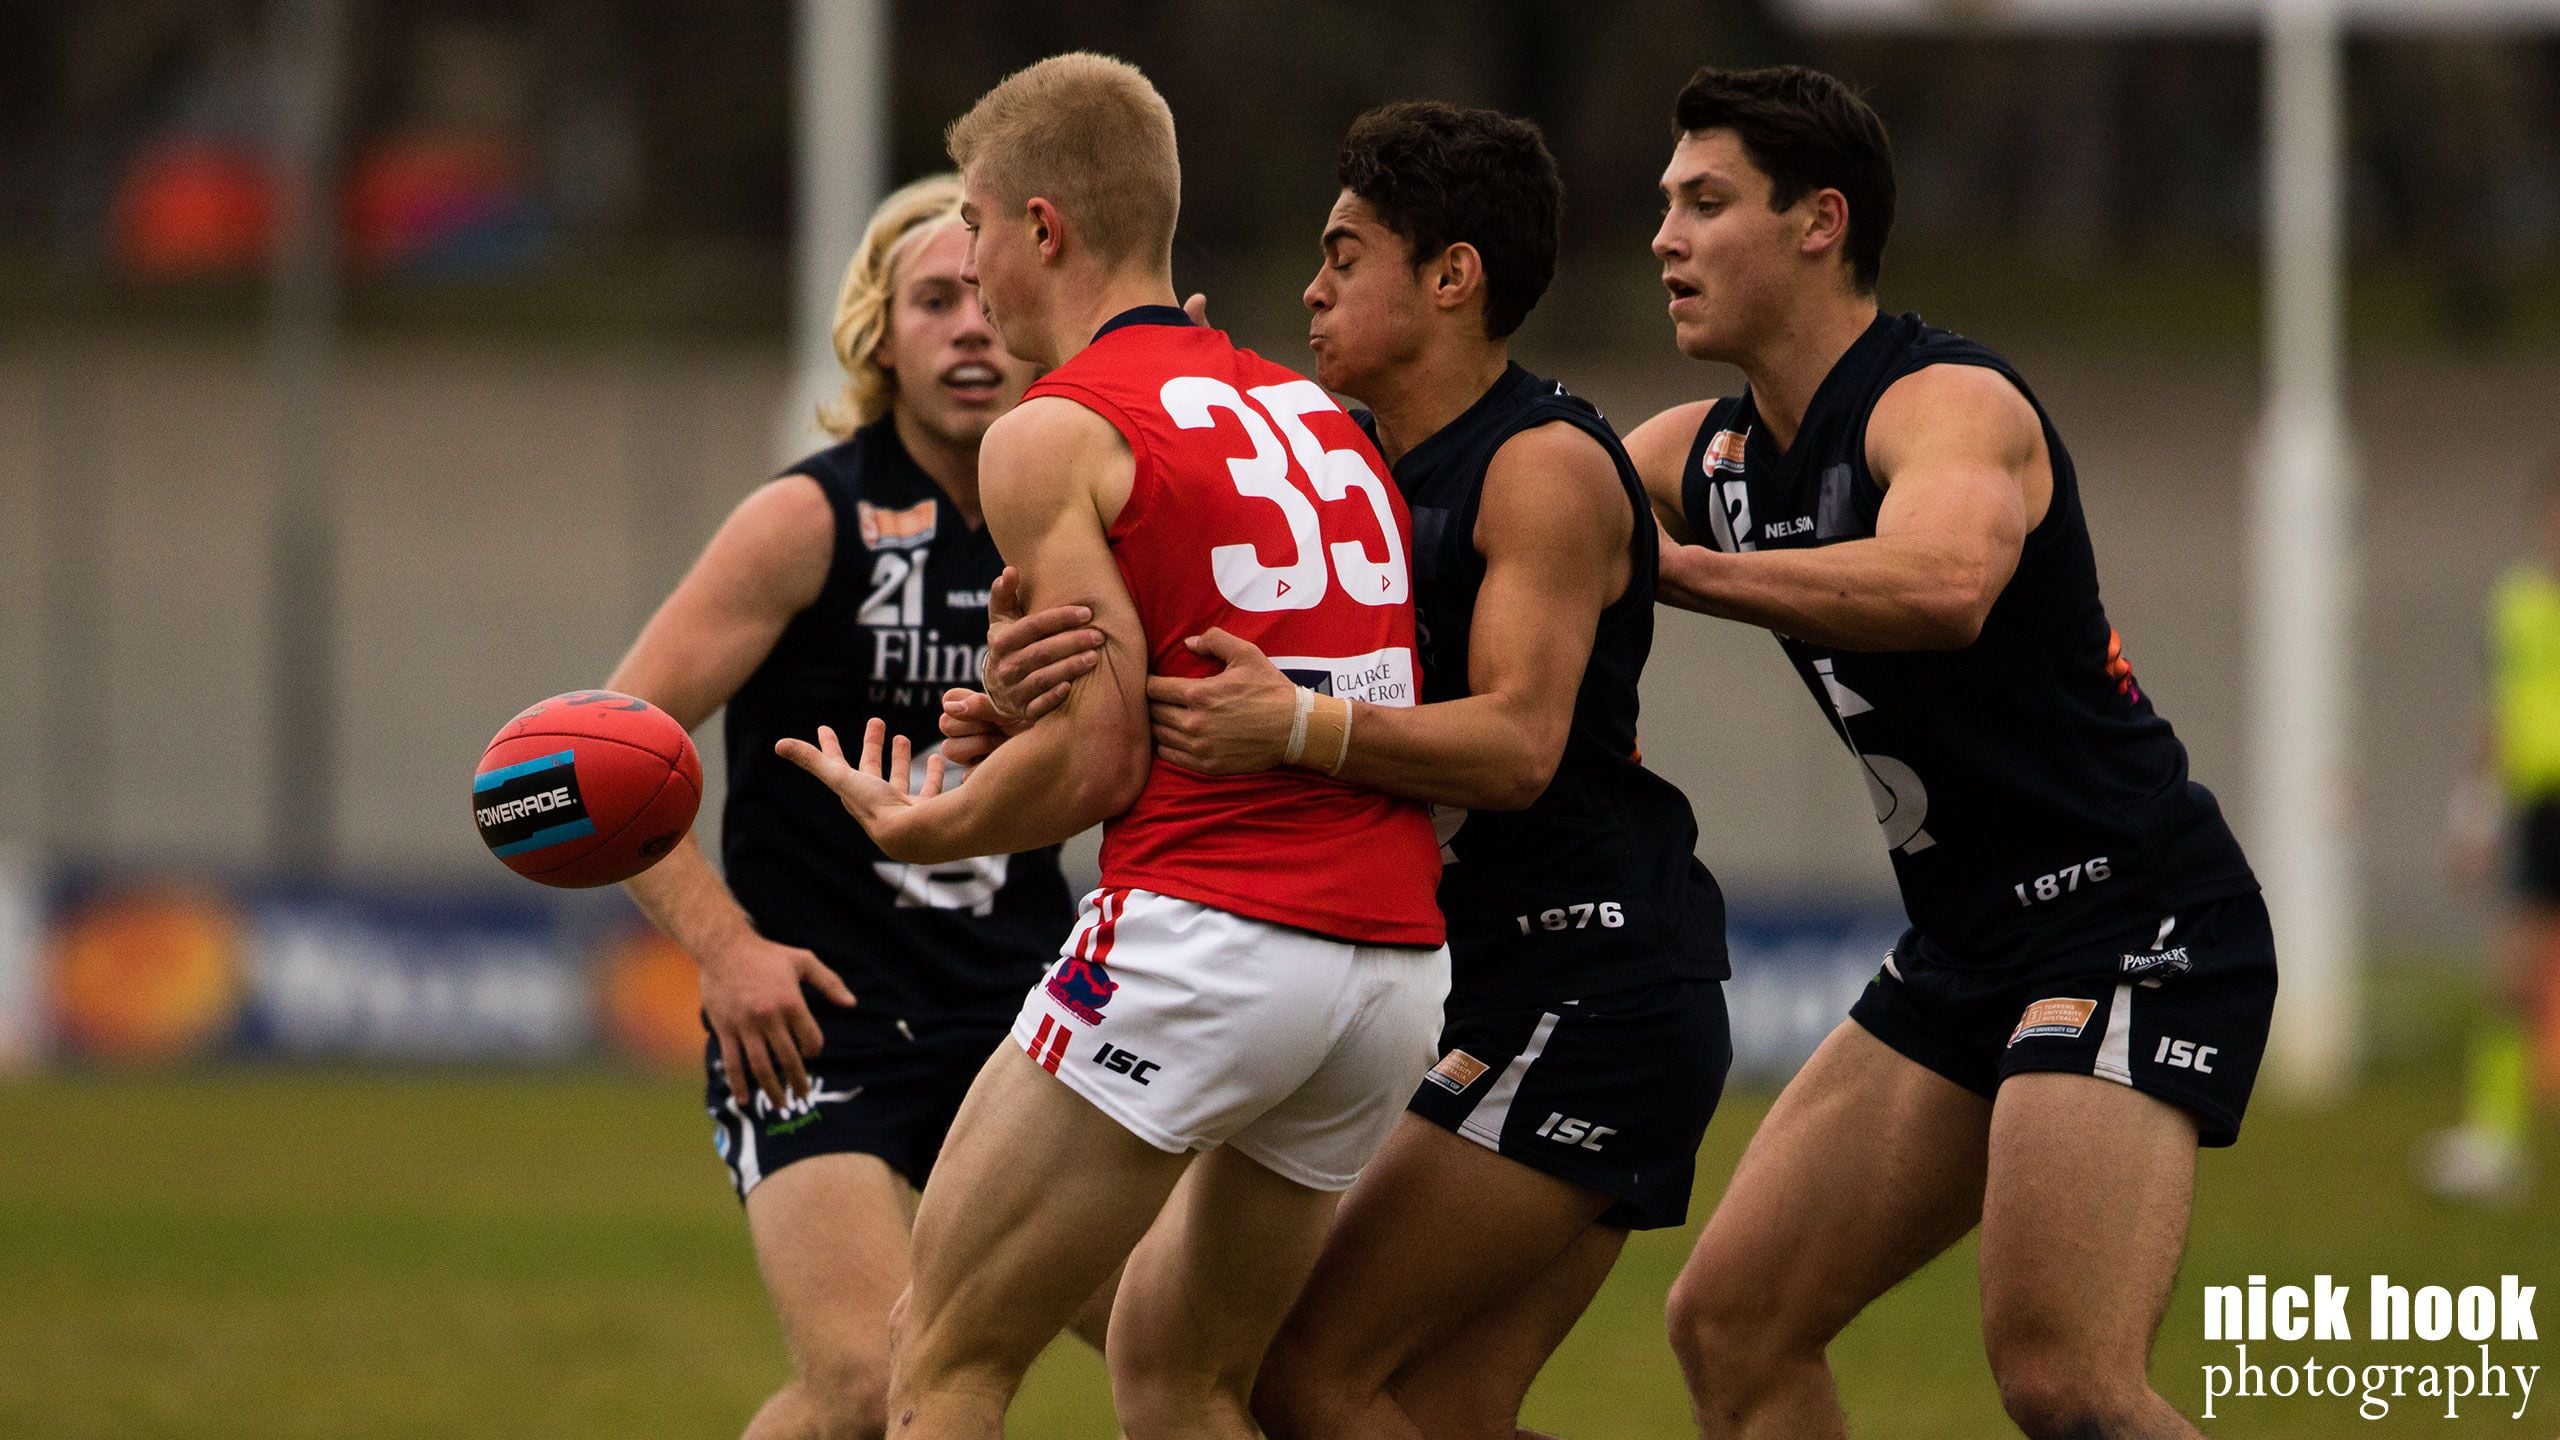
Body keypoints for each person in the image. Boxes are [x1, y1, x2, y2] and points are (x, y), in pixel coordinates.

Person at [963, 101, 1730, 1440]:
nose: (1311, 290)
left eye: (1346, 255)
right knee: (1436, 1408)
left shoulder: (1537, 467)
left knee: (1302, 1380)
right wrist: (1034, 706)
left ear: (1453, 278)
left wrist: (1302, 730)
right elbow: (1199, 680)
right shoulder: (1344, 456)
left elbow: (1517, 745)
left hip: (1588, 979)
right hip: (1459, 967)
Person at [777, 53, 1450, 1440]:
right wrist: (1024, 707)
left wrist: (926, 823)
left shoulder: (1050, 431)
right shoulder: (1311, 410)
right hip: (1388, 969)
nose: (964, 258)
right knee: (1184, 1380)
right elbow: (1192, 667)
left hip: (1208, 938)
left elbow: (1093, 771)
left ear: (1042, 228)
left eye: (971, 223)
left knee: (943, 1366)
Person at [1623, 66, 2273, 1440]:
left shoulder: (1947, 404)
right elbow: (1496, 514)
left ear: (1820, 222)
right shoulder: (1703, 451)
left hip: (2128, 916)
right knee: (1731, 1325)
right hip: (1967, 947)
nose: (1667, 239)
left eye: (1705, 203)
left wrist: (1686, 574)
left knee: (2065, 1383)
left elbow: (1941, 586)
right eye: (1665, 207)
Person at [603, 173, 1074, 1440]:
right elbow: (598, 763)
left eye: (988, 296)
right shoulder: (803, 521)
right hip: (817, 1031)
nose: (971, 326)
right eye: (934, 300)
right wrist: (725, 949)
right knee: (867, 1389)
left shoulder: (1086, 518)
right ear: (877, 332)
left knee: (1190, 1334)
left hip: (1027, 1018)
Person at [2431, 460, 2560, 1203]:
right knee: (2512, 979)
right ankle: (2496, 1139)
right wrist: (2474, 812)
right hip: (2543, 810)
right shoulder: (2516, 604)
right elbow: (2497, 714)